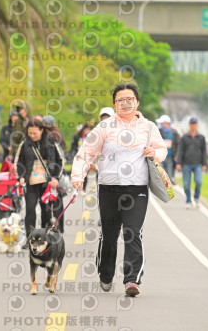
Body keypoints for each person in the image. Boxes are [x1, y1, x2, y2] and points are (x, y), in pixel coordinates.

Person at [71, 83, 167, 298]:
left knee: (132, 232)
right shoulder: (105, 127)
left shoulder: (148, 127)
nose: (125, 103)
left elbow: (162, 149)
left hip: (137, 188)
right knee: (109, 234)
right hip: (109, 189)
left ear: (137, 102)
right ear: (115, 104)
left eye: (129, 99)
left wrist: (155, 153)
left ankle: (132, 280)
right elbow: (86, 152)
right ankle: (105, 274)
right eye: (120, 100)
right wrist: (78, 176)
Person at [15, 119, 64, 242]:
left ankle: (44, 237)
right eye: (30, 133)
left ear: (41, 130)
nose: (32, 136)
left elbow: (60, 160)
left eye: (35, 133)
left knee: (46, 211)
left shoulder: (51, 141)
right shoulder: (25, 143)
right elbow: (19, 162)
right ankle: (30, 238)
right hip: (31, 182)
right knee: (30, 209)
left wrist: (55, 177)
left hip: (47, 182)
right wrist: (21, 177)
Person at [42, 115, 67, 233]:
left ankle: (55, 227)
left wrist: (55, 176)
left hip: (55, 174)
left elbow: (58, 157)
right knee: (57, 201)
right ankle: (58, 227)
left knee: (53, 201)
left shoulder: (53, 138)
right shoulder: (58, 135)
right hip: (57, 173)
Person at [176, 117, 207, 209]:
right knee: (186, 184)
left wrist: (204, 163)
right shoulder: (184, 138)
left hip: (198, 164)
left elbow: (204, 151)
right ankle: (188, 200)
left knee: (198, 182)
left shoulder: (201, 138)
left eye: (195, 124)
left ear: (197, 125)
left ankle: (196, 197)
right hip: (186, 164)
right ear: (189, 125)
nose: (193, 126)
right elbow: (180, 150)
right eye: (192, 124)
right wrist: (179, 163)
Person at [155, 114, 180, 184]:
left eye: (162, 123)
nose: (161, 124)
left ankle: (169, 187)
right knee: (160, 174)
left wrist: (176, 156)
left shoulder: (174, 133)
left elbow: (178, 145)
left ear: (166, 123)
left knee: (169, 175)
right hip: (160, 157)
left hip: (170, 157)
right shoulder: (158, 131)